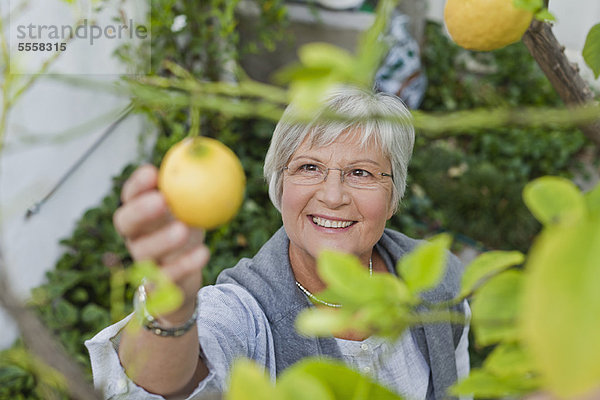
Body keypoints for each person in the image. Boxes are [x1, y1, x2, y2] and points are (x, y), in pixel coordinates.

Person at [85, 85, 470, 400]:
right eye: (309, 167)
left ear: (393, 198)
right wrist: (171, 303)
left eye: (360, 172)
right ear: (280, 184)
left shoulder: (437, 278)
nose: (333, 195)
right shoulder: (247, 310)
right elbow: (159, 387)